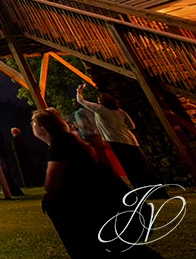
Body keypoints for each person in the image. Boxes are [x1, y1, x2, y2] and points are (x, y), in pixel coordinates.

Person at [31, 108, 161, 258]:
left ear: (42, 128)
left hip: (92, 203)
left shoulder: (59, 146)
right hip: (104, 198)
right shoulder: (72, 140)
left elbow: (51, 183)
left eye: (33, 123)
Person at [76, 84, 160, 189]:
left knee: (130, 166)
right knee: (142, 165)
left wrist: (79, 91)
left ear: (102, 102)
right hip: (131, 139)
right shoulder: (120, 112)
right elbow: (132, 126)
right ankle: (155, 187)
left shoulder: (101, 110)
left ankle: (142, 188)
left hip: (116, 140)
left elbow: (81, 101)